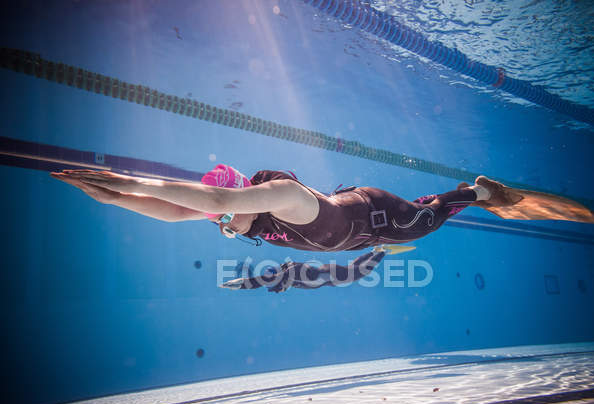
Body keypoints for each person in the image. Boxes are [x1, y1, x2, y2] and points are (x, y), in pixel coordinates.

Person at [50, 166, 515, 252]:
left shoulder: (285, 195)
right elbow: (176, 211)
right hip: (355, 239)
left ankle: (479, 193)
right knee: (426, 218)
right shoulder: (237, 216)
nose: (225, 224)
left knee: (427, 221)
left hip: (377, 215)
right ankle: (463, 195)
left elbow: (217, 202)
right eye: (222, 222)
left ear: (241, 196)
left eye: (227, 216)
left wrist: (127, 180)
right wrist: (114, 198)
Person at [221, 244, 415, 292]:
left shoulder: (288, 273)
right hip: (328, 273)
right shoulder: (286, 270)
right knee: (355, 268)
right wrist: (237, 284)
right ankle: (376, 250)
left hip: (329, 276)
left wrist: (283, 285)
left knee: (361, 271)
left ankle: (382, 252)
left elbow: (262, 281)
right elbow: (257, 281)